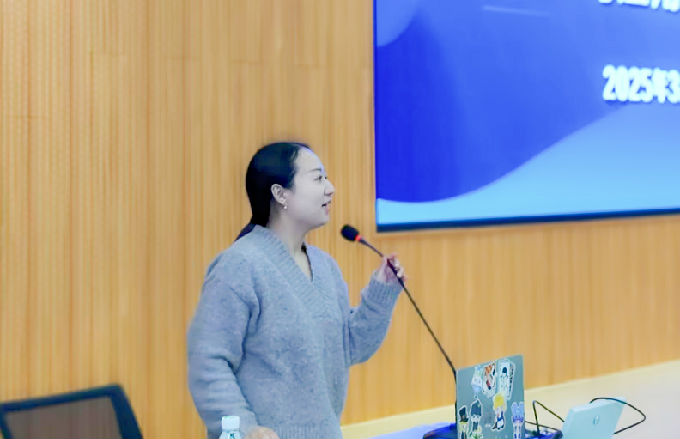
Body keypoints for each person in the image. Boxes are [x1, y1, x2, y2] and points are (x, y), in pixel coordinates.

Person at [187, 142, 406, 439]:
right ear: (280, 194)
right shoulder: (238, 266)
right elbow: (208, 363)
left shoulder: (325, 266)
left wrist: (383, 292)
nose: (331, 188)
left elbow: (349, 348)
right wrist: (243, 430)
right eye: (318, 178)